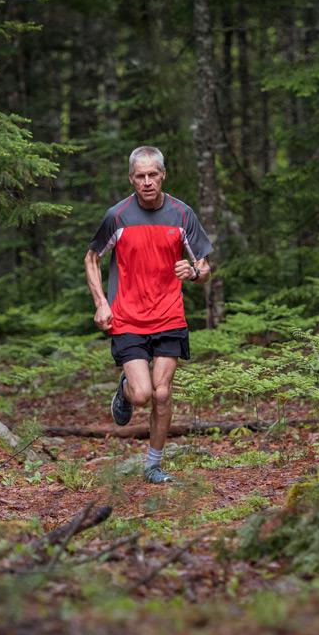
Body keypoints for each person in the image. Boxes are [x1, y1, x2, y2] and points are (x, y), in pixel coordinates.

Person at [84, 146, 213, 483]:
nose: (146, 182)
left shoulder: (183, 215)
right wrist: (101, 302)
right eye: (139, 176)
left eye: (152, 174)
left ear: (163, 175)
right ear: (131, 179)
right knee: (142, 394)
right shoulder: (118, 215)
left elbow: (205, 266)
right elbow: (91, 257)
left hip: (170, 315)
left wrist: (195, 273)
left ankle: (153, 465)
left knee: (163, 392)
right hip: (127, 318)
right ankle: (125, 389)